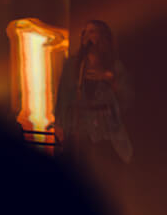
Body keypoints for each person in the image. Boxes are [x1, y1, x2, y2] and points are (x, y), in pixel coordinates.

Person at [55, 19, 134, 165]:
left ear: (102, 36)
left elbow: (127, 98)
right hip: (78, 129)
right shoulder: (72, 65)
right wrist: (59, 124)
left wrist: (110, 79)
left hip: (104, 130)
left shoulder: (114, 66)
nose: (86, 35)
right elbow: (63, 96)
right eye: (84, 32)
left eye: (92, 31)